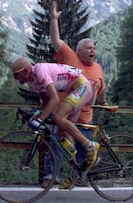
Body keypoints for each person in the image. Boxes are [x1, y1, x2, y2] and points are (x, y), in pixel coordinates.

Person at [42, 0, 111, 189]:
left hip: (85, 118)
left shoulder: (97, 68)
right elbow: (55, 40)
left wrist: (105, 104)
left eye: (94, 48)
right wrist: (54, 19)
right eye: (89, 48)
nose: (93, 51)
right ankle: (50, 176)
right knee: (57, 145)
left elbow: (101, 91)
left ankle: (79, 178)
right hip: (65, 115)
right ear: (79, 50)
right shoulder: (69, 57)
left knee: (83, 152)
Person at [11, 57, 100, 188]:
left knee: (59, 117)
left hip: (82, 86)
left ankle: (90, 145)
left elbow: (55, 98)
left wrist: (40, 119)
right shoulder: (32, 81)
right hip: (74, 90)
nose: (15, 78)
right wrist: (37, 116)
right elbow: (46, 101)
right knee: (64, 132)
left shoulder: (40, 71)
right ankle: (76, 172)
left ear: (26, 71)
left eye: (16, 75)